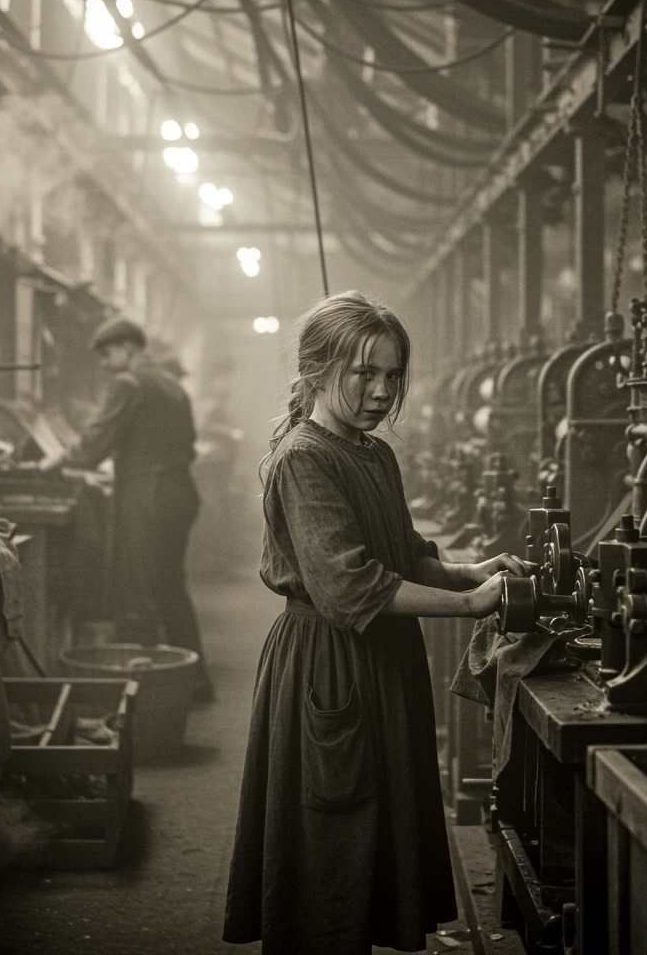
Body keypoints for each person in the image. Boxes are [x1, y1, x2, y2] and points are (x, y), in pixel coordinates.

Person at [223, 292, 534, 954]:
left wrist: (469, 572)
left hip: (381, 662)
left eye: (392, 375)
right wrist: (473, 606)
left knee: (370, 845)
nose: (382, 392)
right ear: (316, 370)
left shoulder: (373, 454)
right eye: (364, 374)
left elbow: (401, 553)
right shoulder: (305, 458)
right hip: (329, 665)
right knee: (331, 847)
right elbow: (347, 586)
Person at [38, 315, 214, 703]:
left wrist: (58, 460)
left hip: (147, 495)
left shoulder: (128, 383)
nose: (104, 364)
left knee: (136, 590)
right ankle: (195, 681)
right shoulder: (171, 384)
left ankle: (138, 694)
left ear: (127, 348)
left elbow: (98, 438)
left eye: (107, 354)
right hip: (180, 492)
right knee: (170, 586)